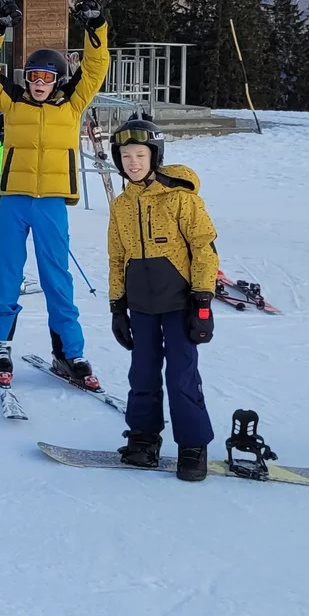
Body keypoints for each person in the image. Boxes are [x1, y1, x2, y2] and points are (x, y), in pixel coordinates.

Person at [0, 0, 109, 389]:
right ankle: (0, 344)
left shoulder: (73, 104)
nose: (38, 84)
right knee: (6, 276)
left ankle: (70, 351)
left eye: (47, 78)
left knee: (57, 279)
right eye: (33, 77)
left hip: (52, 203)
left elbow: (97, 65)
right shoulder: (11, 103)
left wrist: (95, 26)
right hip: (14, 201)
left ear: (59, 81)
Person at [105, 118, 218, 482]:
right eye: (125, 156)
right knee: (142, 372)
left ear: (155, 156)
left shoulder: (181, 198)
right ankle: (143, 438)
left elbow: (203, 247)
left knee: (182, 375)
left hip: (179, 302)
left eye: (140, 154)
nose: (133, 162)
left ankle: (192, 445)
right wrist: (117, 306)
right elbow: (117, 258)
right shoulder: (121, 204)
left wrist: (202, 302)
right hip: (140, 304)